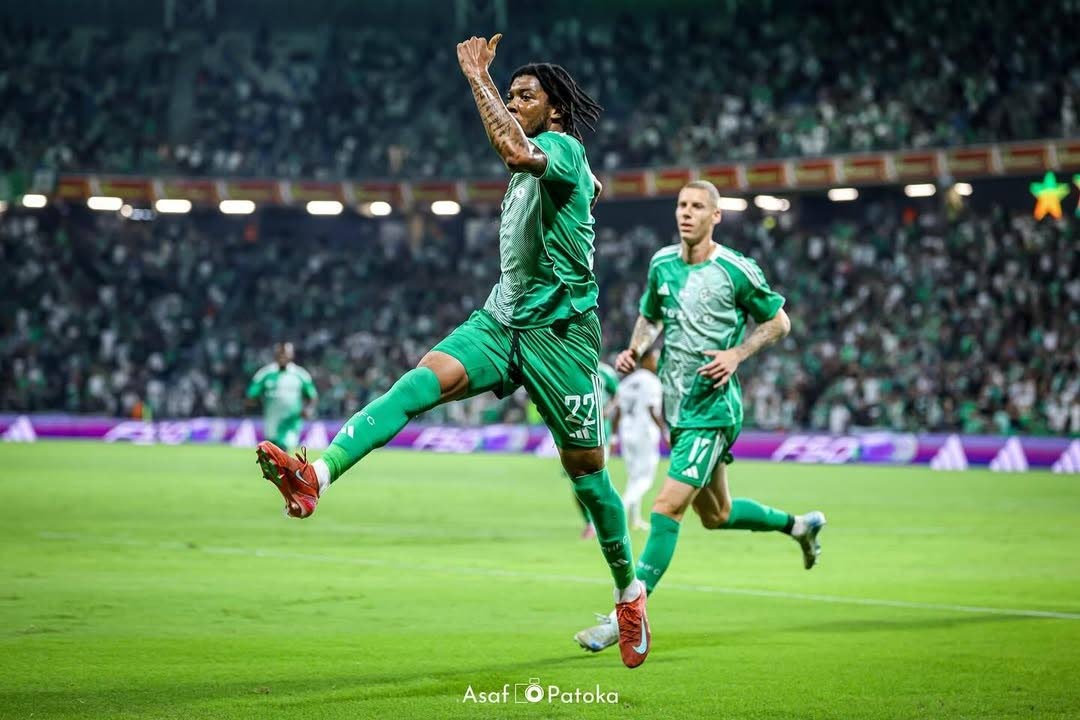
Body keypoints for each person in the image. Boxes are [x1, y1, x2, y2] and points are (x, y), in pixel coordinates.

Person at [253, 34, 650, 669]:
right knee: (418, 382)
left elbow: (519, 150)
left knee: (591, 478)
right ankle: (315, 477)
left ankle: (629, 596)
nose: (514, 101)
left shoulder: (561, 149)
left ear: (553, 111)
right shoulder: (552, 162)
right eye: (510, 93)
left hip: (562, 338)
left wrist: (477, 77)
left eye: (526, 95)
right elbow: (542, 167)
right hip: (500, 320)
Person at [573, 181, 825, 653]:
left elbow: (779, 321)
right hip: (678, 411)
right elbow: (651, 316)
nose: (686, 214)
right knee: (716, 514)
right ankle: (799, 525)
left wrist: (736, 353)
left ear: (715, 217)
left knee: (666, 507)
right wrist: (635, 349)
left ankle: (623, 619)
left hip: (713, 409)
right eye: (681, 206)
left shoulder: (735, 270)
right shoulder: (662, 264)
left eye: (696, 207)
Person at [611, 348, 665, 531]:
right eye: (655, 359)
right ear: (647, 360)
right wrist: (665, 432)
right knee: (645, 479)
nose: (657, 363)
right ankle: (619, 511)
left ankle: (635, 520)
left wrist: (613, 436)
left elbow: (617, 410)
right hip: (644, 433)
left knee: (634, 477)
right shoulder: (652, 382)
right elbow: (652, 409)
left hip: (626, 432)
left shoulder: (627, 381)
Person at [575, 360, 619, 539]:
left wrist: (606, 410)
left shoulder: (604, 371)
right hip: (574, 431)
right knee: (577, 482)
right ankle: (590, 521)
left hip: (600, 434)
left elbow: (618, 395)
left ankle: (600, 522)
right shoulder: (573, 365)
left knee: (594, 478)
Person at [245, 342, 317, 450]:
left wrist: (309, 409)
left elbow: (312, 396)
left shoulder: (300, 374)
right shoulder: (265, 374)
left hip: (291, 422)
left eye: (286, 354)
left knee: (284, 450)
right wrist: (254, 403)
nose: (283, 356)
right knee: (273, 455)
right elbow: (252, 394)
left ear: (292, 355)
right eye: (280, 353)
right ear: (275, 355)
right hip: (271, 421)